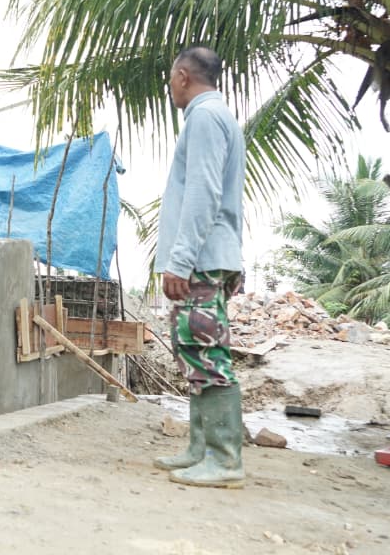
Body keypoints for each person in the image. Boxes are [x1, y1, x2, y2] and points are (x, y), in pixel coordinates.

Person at [152, 46, 247, 488]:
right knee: (195, 348)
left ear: (184, 76)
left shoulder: (206, 117)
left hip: (202, 260)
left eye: (172, 79)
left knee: (207, 353)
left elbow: (203, 193)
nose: (170, 87)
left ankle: (224, 460)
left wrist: (180, 260)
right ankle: (201, 448)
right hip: (210, 256)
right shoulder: (213, 116)